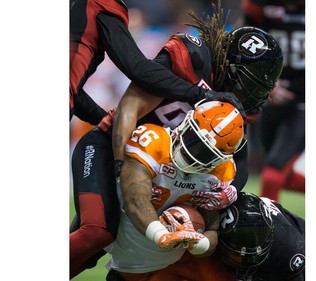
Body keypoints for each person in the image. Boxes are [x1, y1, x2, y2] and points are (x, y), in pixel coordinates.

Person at [70, 1, 284, 278]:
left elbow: (239, 155)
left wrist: (228, 192)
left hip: (164, 171)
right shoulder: (192, 59)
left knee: (163, 241)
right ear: (230, 69)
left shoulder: (240, 105)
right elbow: (130, 104)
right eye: (249, 85)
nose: (251, 97)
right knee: (96, 235)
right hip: (115, 148)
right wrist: (120, 164)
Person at [104, 101, 244, 279]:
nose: (193, 153)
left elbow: (212, 228)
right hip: (126, 240)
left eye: (206, 152)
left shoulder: (221, 172)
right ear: (186, 122)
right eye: (193, 139)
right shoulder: (154, 140)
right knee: (92, 235)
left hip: (167, 260)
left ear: (220, 158)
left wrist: (200, 244)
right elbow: (134, 200)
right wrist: (161, 235)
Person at [70, 0, 244, 124]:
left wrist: (105, 122)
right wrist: (202, 94)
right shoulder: (99, 4)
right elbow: (137, 67)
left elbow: (74, 92)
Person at [106, 192, 305, 281]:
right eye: (236, 256)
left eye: (249, 256)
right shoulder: (206, 224)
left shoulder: (288, 249)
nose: (243, 263)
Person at [240, 0, 305, 201]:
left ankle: (269, 229)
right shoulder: (258, 8)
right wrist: (267, 84)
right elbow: (243, 47)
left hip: (303, 103)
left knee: (272, 175)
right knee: (281, 175)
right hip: (268, 101)